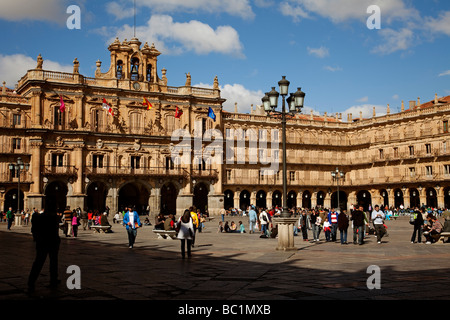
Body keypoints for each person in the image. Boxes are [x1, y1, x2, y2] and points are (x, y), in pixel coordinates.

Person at [27, 210, 61, 294]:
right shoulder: (53, 217)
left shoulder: (40, 217)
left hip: (43, 242)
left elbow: (36, 230)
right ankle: (53, 280)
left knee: (40, 261)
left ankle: (31, 280)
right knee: (52, 261)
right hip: (51, 242)